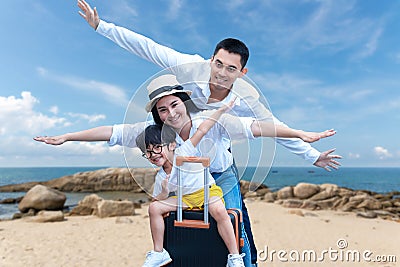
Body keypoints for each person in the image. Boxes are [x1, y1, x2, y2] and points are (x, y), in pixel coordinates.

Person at [77, 2, 342, 264]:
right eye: (218, 64)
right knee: (183, 231)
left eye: (231, 69)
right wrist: (101, 27)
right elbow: (148, 48)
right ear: (211, 59)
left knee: (235, 224)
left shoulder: (245, 98)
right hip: (186, 169)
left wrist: (312, 156)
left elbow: (271, 126)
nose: (222, 73)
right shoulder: (190, 67)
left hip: (219, 169)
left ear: (242, 72)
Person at [34, 80, 336, 266]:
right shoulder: (155, 132)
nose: (170, 113)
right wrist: (67, 137)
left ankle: (243, 263)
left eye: (174, 105)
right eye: (162, 110)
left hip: (221, 174)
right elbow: (111, 132)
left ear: (185, 105)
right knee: (182, 224)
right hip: (188, 181)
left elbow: (261, 127)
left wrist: (302, 136)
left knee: (232, 219)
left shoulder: (213, 122)